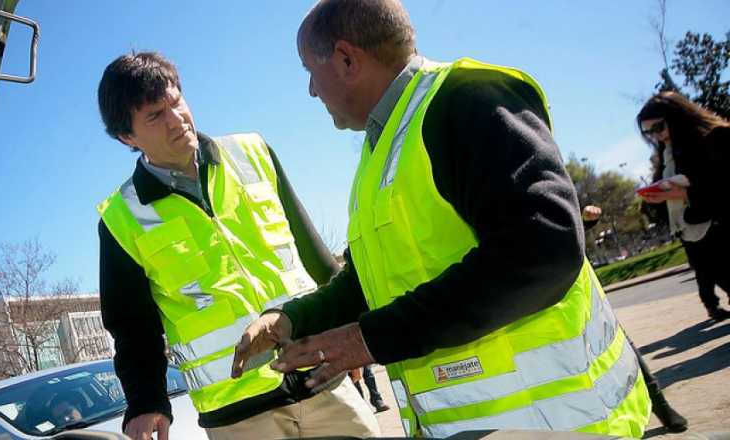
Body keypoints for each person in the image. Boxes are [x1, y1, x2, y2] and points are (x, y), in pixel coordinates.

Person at [231, 0, 652, 437]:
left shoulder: (466, 101)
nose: (312, 91)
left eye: (308, 71)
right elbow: (369, 280)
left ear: (346, 58)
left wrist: (369, 338)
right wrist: (291, 319)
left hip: (561, 421)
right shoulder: (380, 153)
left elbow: (543, 250)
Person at [96, 51, 379, 440]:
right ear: (127, 137)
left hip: (322, 378)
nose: (176, 119)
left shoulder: (253, 153)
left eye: (176, 102)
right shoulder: (120, 219)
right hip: (238, 416)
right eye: (155, 116)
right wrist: (146, 402)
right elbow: (133, 329)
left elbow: (317, 259)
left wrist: (352, 332)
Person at [581, 204, 688, 432]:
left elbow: (563, 225)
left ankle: (662, 407)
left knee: (624, 351)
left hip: (583, 293)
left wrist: (586, 220)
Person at [637, 91, 730, 322]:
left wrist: (685, 192)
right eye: (649, 132)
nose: (656, 137)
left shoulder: (716, 138)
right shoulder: (667, 154)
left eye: (658, 128)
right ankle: (712, 305)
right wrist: (657, 199)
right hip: (692, 228)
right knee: (708, 271)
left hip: (720, 226)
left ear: (676, 117)